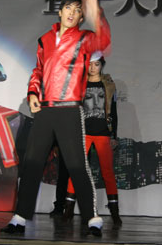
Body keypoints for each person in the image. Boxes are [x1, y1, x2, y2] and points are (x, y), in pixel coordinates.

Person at [0, 0, 111, 237]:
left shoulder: (85, 39)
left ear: (81, 17)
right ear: (60, 12)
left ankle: (92, 218)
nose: (72, 13)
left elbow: (104, 41)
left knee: (76, 165)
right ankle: (19, 218)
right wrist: (32, 93)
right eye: (68, 9)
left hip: (70, 110)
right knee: (32, 163)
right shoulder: (45, 40)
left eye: (78, 10)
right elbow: (38, 70)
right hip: (46, 110)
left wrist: (96, 8)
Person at [62, 51, 121, 228]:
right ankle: (68, 210)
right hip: (83, 133)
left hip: (103, 133)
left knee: (108, 173)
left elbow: (114, 111)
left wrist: (114, 135)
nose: (93, 67)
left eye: (97, 64)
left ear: (102, 65)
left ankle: (115, 213)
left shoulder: (109, 85)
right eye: (90, 64)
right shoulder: (78, 84)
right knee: (78, 170)